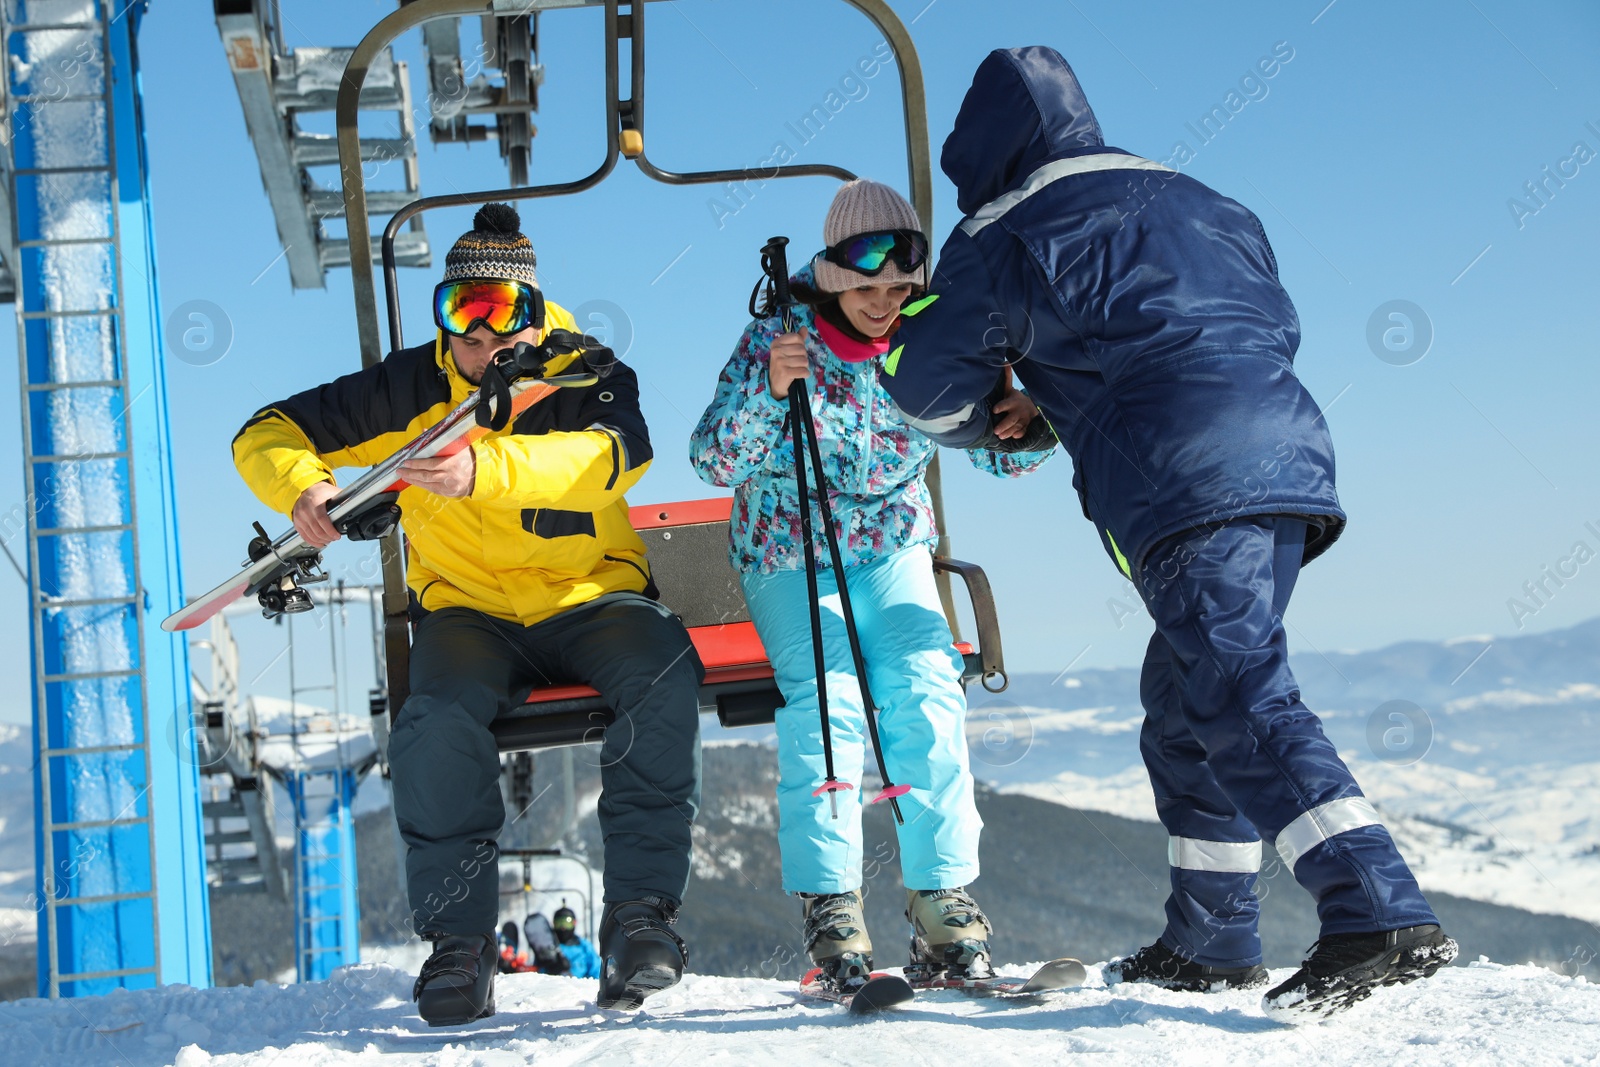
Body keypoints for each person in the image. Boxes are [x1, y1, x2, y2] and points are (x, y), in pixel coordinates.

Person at [877, 47, 1458, 1018]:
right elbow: (1215, 329)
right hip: (1287, 454)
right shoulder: (1205, 199)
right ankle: (1214, 933)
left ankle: (1374, 907)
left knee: (1233, 690)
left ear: (982, 151)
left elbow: (921, 382)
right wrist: (1063, 397)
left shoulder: (1000, 227)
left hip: (1179, 472)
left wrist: (995, 409)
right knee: (1186, 694)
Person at [233, 203, 702, 1024]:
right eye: (464, 318)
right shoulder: (410, 387)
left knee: (661, 676)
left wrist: (486, 468)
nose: (484, 342)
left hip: (591, 595)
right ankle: (460, 946)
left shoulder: (585, 370)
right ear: (445, 315)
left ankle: (638, 919)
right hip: (470, 613)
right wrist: (305, 486)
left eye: (504, 319)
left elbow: (614, 456)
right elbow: (265, 430)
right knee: (437, 719)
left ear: (533, 310)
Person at [689, 180, 1055, 989]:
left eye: (899, 287)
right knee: (831, 697)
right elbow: (713, 458)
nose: (884, 303)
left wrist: (1029, 422)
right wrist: (767, 395)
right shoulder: (776, 342)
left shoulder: (937, 347)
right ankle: (832, 904)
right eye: (865, 287)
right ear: (830, 277)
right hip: (790, 551)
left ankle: (942, 900)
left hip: (890, 547)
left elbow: (997, 453)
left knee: (925, 688)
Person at [553, 904, 603, 978]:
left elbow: (596, 971)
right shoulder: (550, 947)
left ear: (574, 923)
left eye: (567, 923)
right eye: (559, 923)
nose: (563, 928)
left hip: (580, 987)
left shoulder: (584, 946)